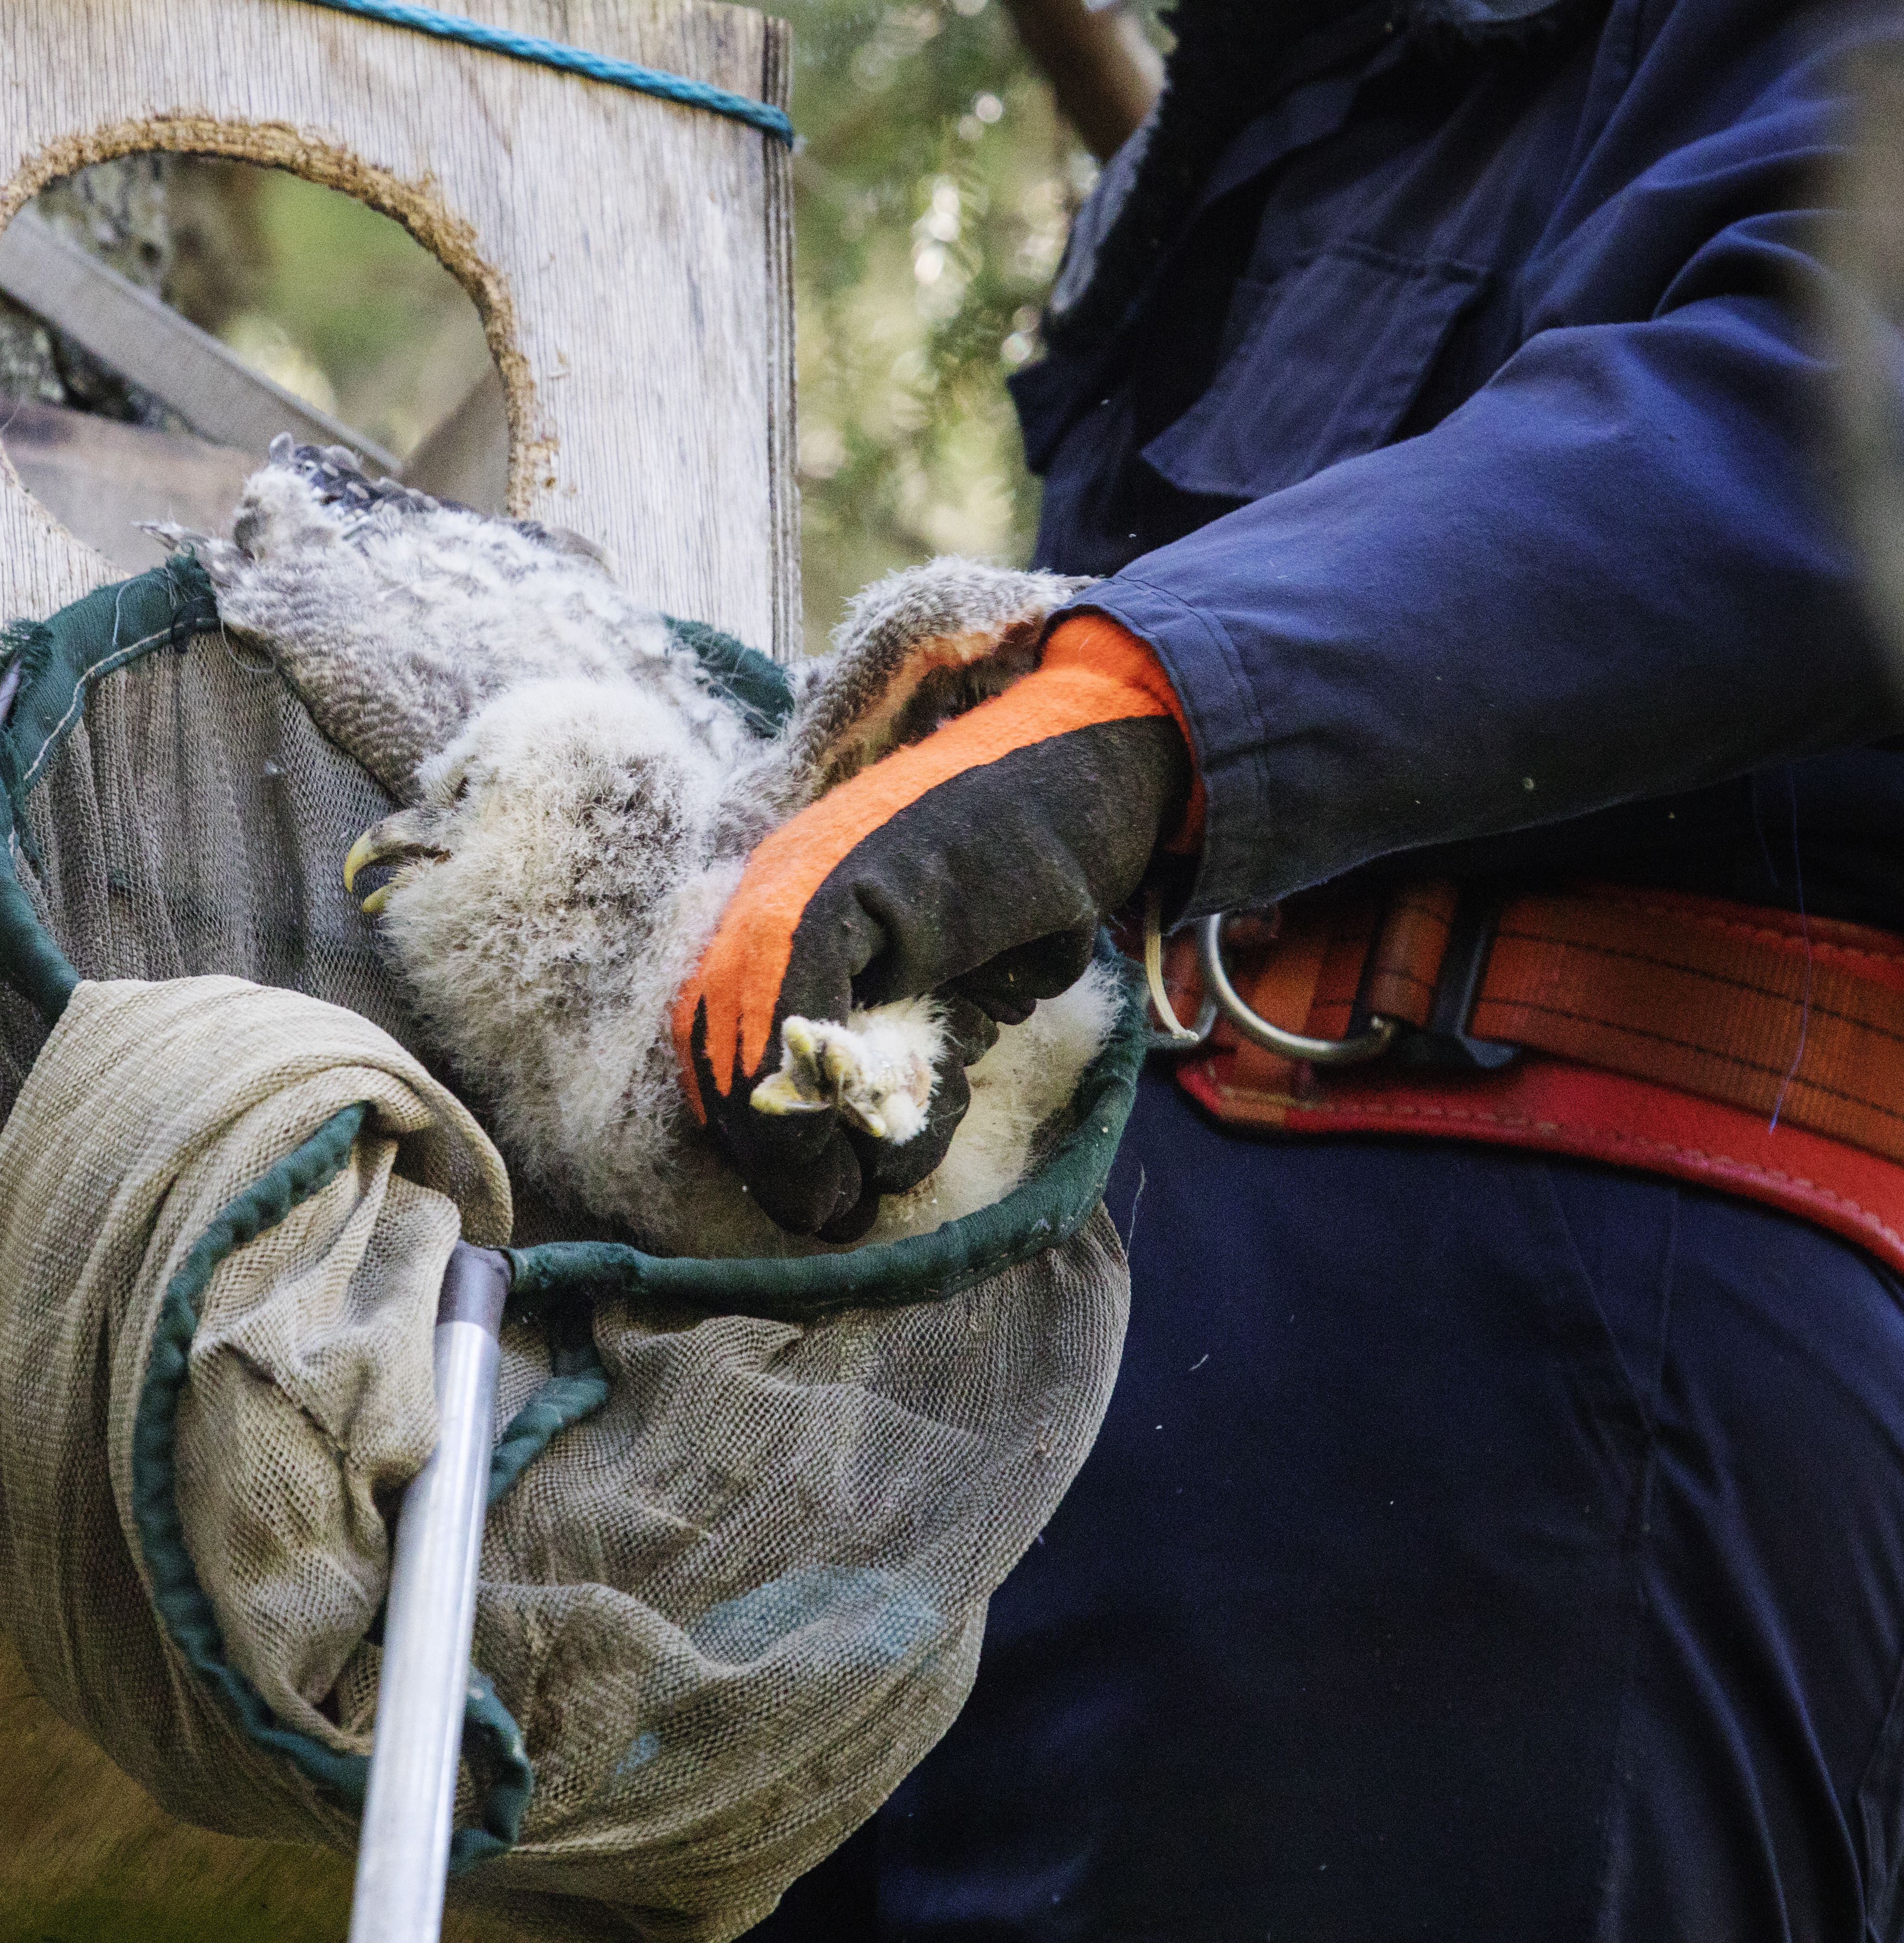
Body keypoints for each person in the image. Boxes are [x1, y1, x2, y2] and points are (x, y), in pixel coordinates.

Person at [695, 0, 1904, 1935]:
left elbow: (1831, 405)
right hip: (1058, 1371)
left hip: (1541, 1398)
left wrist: (1145, 709)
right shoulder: (1343, 82)